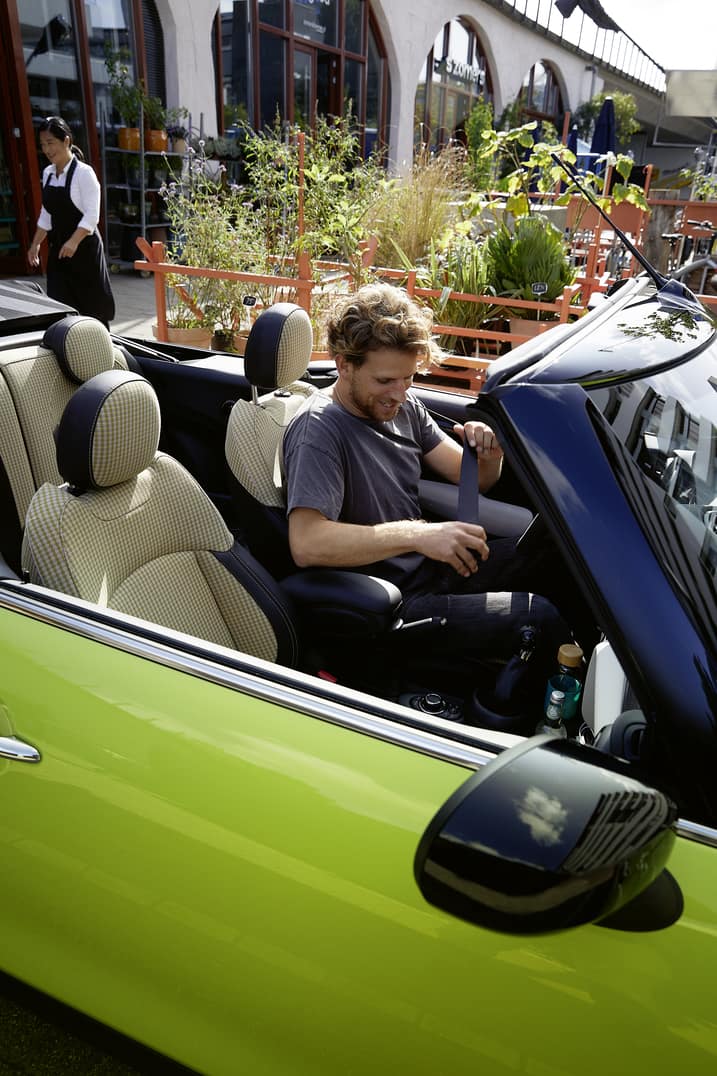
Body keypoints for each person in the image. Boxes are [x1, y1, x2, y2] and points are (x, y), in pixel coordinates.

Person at [283, 283, 579, 697]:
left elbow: (475, 480)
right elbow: (307, 543)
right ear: (344, 365)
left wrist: (488, 452)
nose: (399, 393)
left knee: (562, 543)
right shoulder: (319, 431)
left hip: (433, 570)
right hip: (391, 601)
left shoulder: (404, 408)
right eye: (385, 380)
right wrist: (420, 535)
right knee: (537, 618)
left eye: (408, 378)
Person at [27, 116, 115, 328]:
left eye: (50, 143)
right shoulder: (48, 173)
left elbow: (92, 216)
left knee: (92, 310)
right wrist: (35, 244)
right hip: (60, 250)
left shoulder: (84, 174)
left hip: (84, 249)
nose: (46, 150)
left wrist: (74, 242)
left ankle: (101, 345)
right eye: (43, 144)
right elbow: (46, 214)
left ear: (66, 141)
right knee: (59, 306)